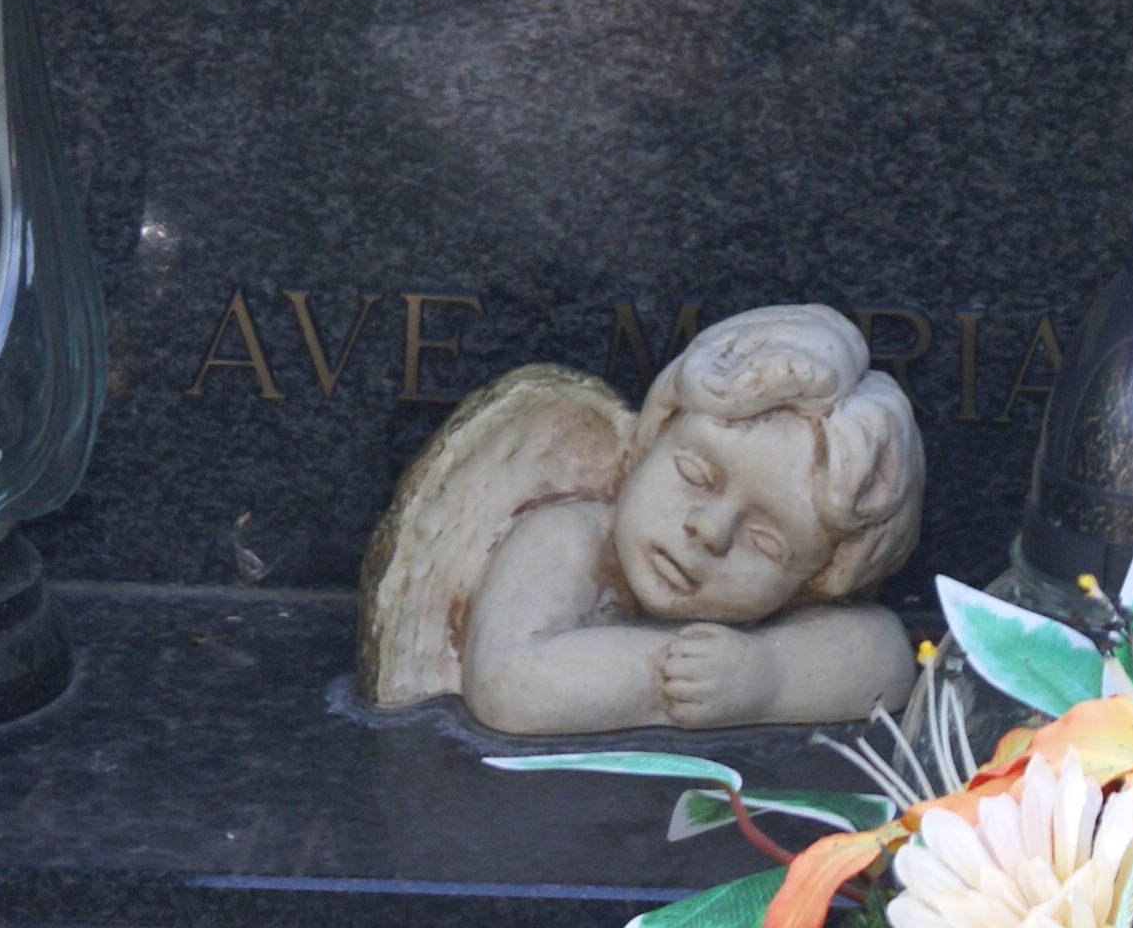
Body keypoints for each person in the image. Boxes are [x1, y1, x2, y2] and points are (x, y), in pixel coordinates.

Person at [354, 304, 923, 734]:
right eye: (696, 475)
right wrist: (673, 675)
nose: (710, 531)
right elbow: (508, 681)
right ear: (651, 440)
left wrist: (763, 678)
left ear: (815, 582)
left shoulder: (797, 611)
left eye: (768, 541)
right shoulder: (566, 538)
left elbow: (888, 660)